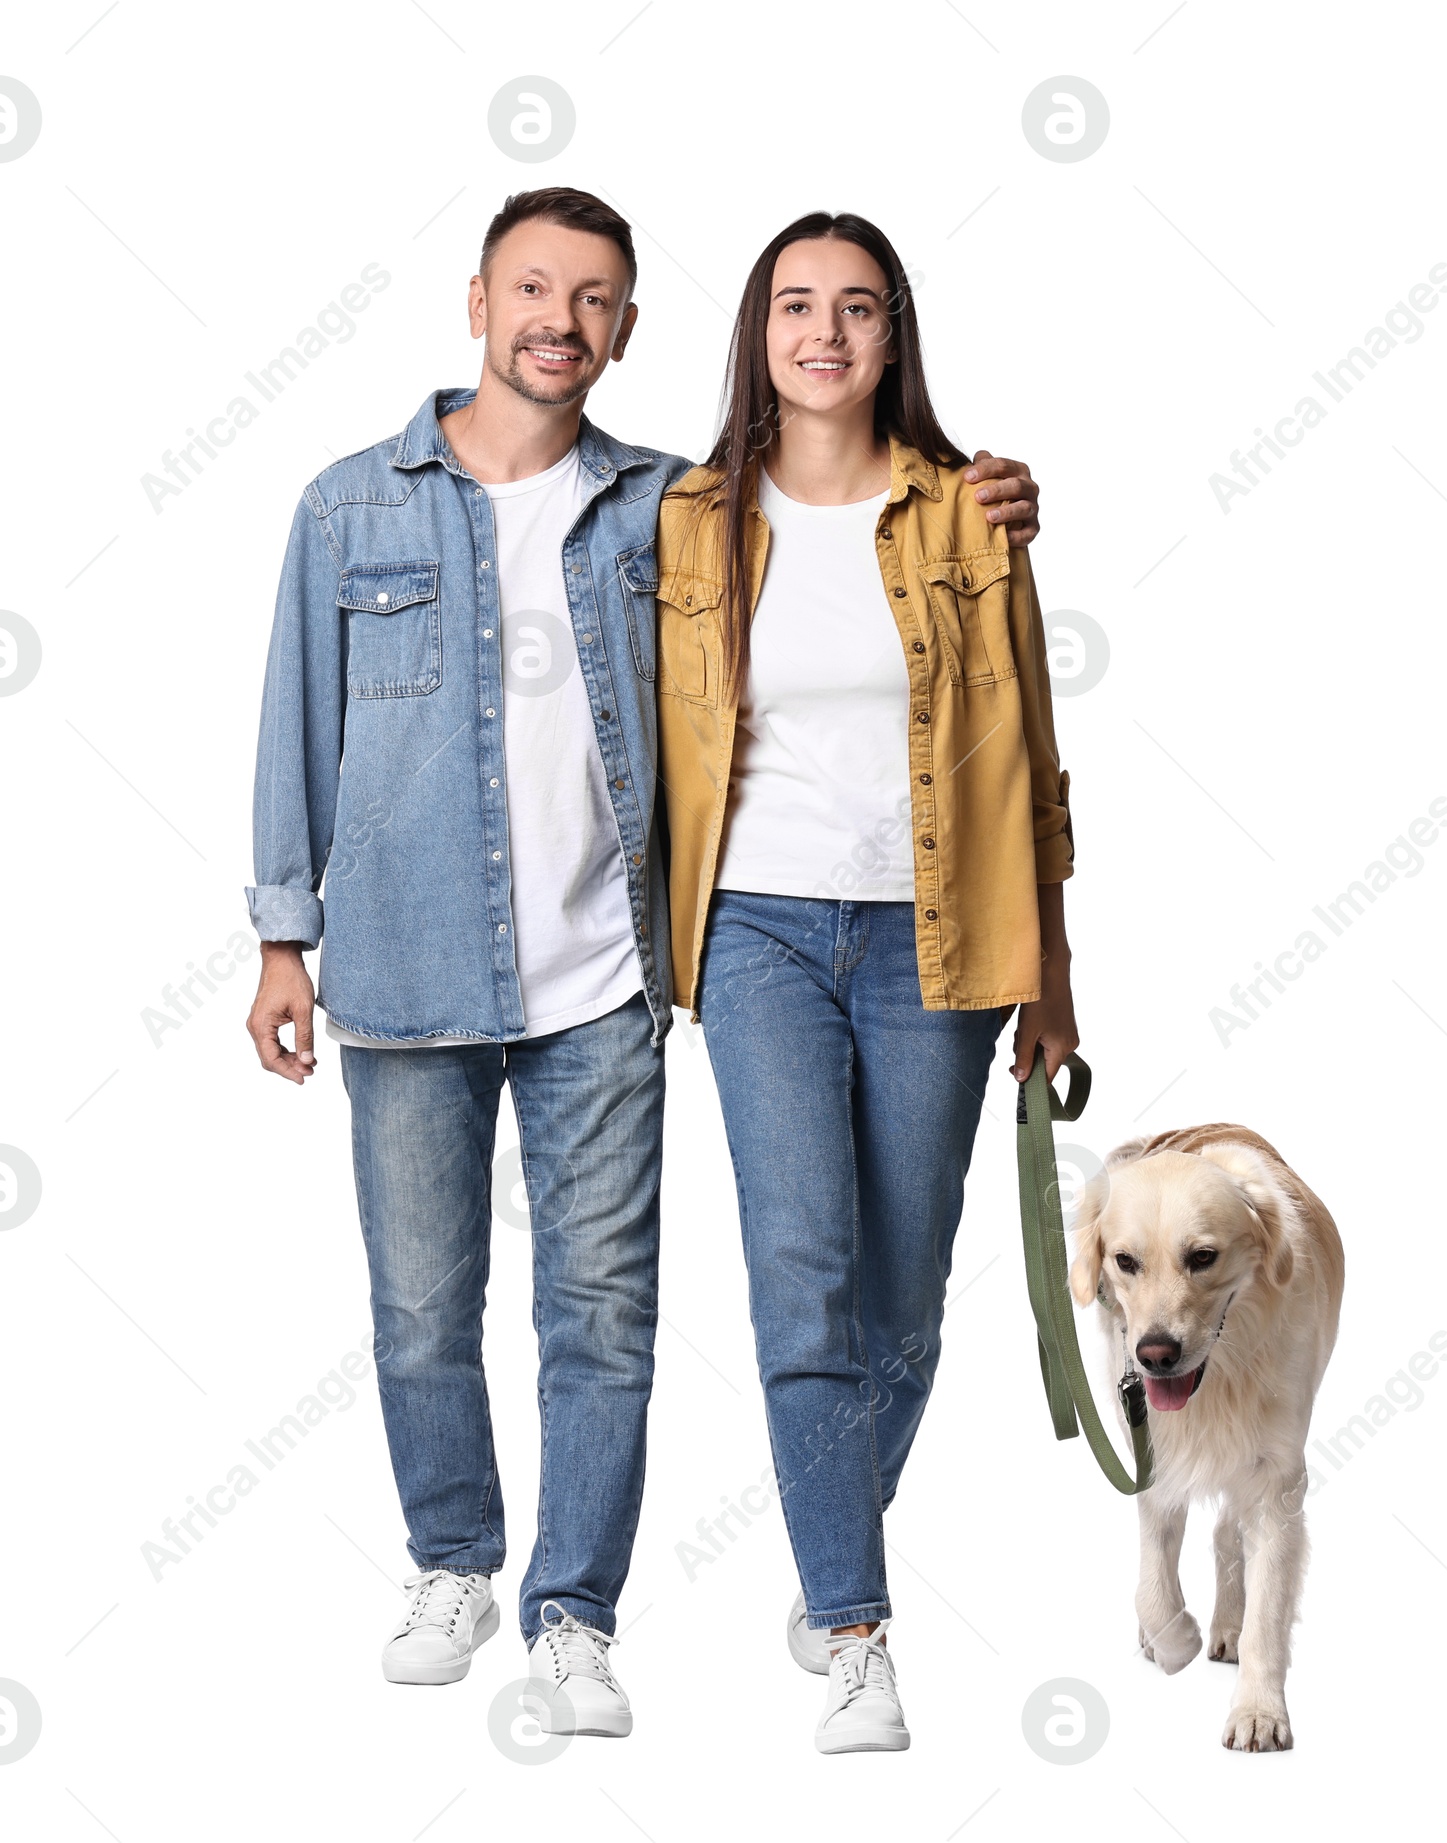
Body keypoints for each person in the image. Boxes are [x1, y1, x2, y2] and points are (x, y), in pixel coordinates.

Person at [244, 186, 1043, 1737]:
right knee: (422, 1303)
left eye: (597, 298)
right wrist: (287, 936)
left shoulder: (667, 504)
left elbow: (941, 654)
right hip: (421, 965)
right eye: (535, 289)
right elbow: (297, 721)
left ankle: (586, 1613)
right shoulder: (356, 507)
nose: (562, 319)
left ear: (631, 331)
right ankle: (462, 1564)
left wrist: (985, 492)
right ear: (476, 300)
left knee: (614, 1313)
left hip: (610, 972)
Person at [655, 212, 1079, 1753]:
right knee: (803, 1272)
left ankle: (835, 1520)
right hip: (758, 929)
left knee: (908, 1295)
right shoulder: (687, 518)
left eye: (856, 308)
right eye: (795, 306)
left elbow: (1029, 753)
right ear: (757, 334)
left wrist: (1056, 974)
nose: (823, 333)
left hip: (944, 939)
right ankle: (857, 1627)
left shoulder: (972, 515)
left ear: (894, 336)